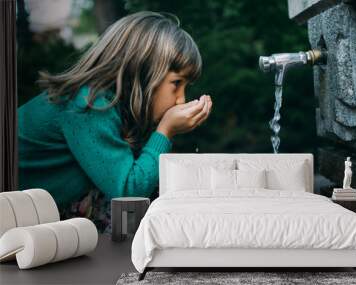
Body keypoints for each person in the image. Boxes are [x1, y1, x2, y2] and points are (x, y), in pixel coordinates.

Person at [18, 11, 212, 228]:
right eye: (177, 83)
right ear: (142, 71)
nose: (181, 100)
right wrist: (166, 131)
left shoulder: (116, 106)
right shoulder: (88, 105)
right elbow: (128, 195)